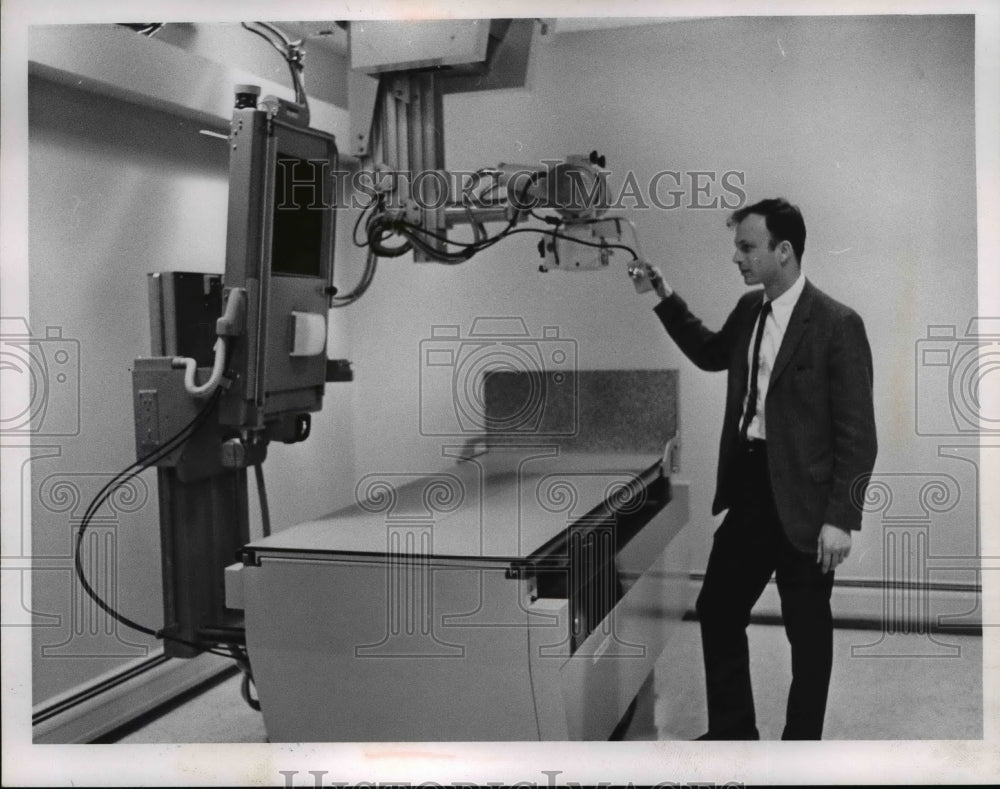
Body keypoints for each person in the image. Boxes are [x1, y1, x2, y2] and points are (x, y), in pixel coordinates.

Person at [635, 198, 877, 740]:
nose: (736, 258)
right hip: (749, 489)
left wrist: (842, 518)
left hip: (808, 507)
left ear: (783, 251)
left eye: (747, 247)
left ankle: (798, 754)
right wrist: (663, 295)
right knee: (718, 609)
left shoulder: (838, 324)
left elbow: (858, 436)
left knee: (806, 635)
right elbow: (710, 352)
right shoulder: (750, 310)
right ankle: (732, 735)